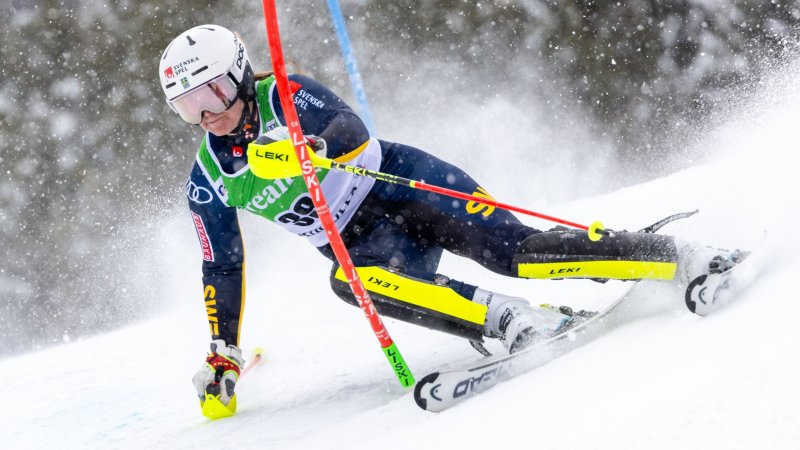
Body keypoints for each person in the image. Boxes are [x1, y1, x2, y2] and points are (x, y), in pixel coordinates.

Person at [158, 24, 744, 417]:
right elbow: (222, 264)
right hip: (365, 245)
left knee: (519, 252)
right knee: (349, 281)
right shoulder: (207, 180)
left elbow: (351, 128)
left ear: (238, 74)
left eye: (210, 93)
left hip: (407, 186)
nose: (205, 114)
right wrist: (222, 353)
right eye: (186, 105)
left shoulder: (284, 92)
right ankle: (508, 321)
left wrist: (312, 149)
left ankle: (673, 255)